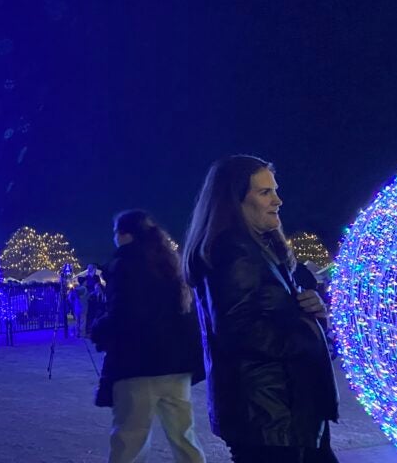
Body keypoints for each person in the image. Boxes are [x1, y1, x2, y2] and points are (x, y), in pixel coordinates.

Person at [183, 156, 339, 463]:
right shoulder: (234, 250)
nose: (278, 200)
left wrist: (310, 309)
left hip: (284, 411)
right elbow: (238, 331)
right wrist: (306, 337)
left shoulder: (258, 249)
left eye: (275, 191)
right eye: (265, 192)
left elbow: (268, 313)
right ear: (235, 199)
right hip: (269, 417)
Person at [91, 210, 206, 463]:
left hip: (137, 365)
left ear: (124, 235)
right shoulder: (170, 262)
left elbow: (124, 313)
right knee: (185, 438)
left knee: (130, 441)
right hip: (176, 366)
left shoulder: (125, 264)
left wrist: (98, 330)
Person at [79, 264, 106, 336]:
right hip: (89, 297)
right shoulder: (86, 277)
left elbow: (99, 286)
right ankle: (88, 330)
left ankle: (93, 329)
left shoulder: (96, 277)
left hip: (95, 297)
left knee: (95, 313)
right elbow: (86, 287)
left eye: (91, 268)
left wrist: (98, 291)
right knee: (89, 314)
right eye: (89, 268)